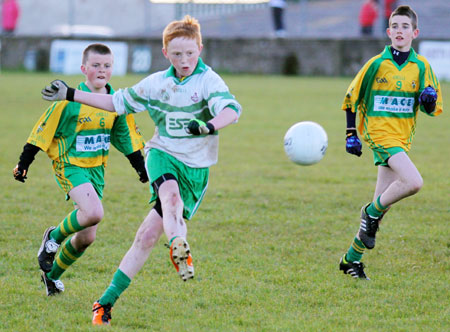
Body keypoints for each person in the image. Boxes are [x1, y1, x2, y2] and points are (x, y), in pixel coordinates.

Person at [40, 15, 242, 325]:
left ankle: (103, 302)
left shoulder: (209, 81)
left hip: (197, 168)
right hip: (161, 154)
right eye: (176, 54)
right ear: (165, 53)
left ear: (200, 49)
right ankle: (178, 246)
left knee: (146, 237)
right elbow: (116, 102)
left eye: (190, 53)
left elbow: (231, 110)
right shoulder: (156, 83)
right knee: (170, 198)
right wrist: (70, 93)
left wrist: (208, 125)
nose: (184, 60)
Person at [13, 43, 148, 296]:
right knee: (94, 212)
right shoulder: (68, 99)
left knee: (87, 237)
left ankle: (51, 278)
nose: (102, 70)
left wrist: (141, 169)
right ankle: (52, 237)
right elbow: (42, 131)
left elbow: (126, 139)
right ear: (83, 68)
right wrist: (23, 163)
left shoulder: (115, 102)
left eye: (107, 66)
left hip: (97, 170)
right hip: (69, 165)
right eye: (96, 65)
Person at [339, 5, 443, 280]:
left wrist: (428, 100)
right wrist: (351, 134)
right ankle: (368, 213)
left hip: (402, 138)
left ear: (414, 33)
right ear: (388, 32)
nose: (399, 31)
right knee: (413, 182)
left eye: (405, 27)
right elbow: (351, 97)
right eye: (395, 26)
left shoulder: (422, 67)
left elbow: (432, 109)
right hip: (379, 134)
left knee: (380, 208)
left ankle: (351, 259)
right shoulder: (376, 64)